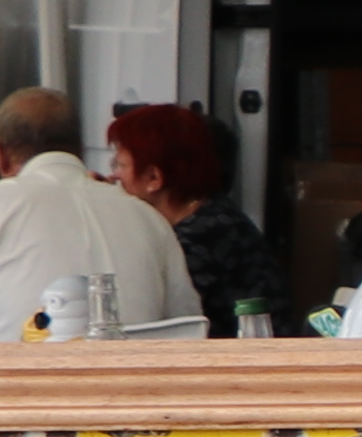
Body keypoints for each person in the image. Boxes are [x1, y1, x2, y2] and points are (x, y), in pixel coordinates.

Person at [0, 88, 194, 337]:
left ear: (0, 154)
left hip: (24, 397)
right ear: (79, 148)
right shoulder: (147, 218)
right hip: (130, 397)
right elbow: (187, 328)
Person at [103, 103, 271, 332]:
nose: (114, 176)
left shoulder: (196, 242)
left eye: (120, 165)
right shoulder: (213, 214)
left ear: (153, 177)